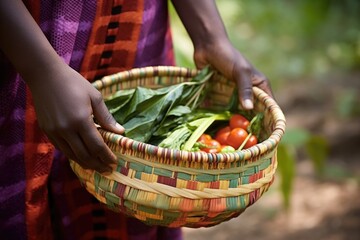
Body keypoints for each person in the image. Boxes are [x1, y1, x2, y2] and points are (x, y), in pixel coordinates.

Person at [0, 0, 273, 239]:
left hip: (133, 28)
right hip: (28, 38)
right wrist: (41, 70)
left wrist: (210, 36)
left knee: (134, 192)